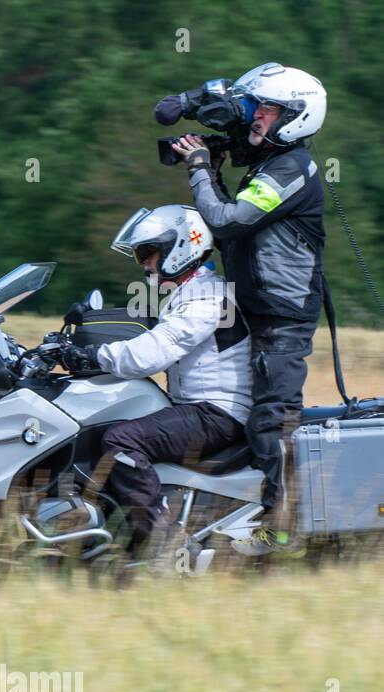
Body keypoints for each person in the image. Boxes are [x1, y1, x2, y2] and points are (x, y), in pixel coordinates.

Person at [170, 63, 327, 549]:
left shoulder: (289, 170)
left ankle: (283, 530)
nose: (256, 116)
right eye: (256, 106)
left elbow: (227, 222)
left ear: (295, 117)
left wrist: (199, 170)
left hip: (281, 315)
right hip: (248, 305)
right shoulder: (267, 162)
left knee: (272, 418)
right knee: (218, 404)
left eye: (267, 108)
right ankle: (222, 508)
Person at [59, 205, 251, 556]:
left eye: (148, 254)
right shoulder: (190, 292)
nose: (144, 264)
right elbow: (143, 333)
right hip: (198, 406)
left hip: (217, 413)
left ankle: (165, 545)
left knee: (122, 440)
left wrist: (94, 356)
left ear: (180, 248)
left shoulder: (208, 297)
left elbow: (159, 349)